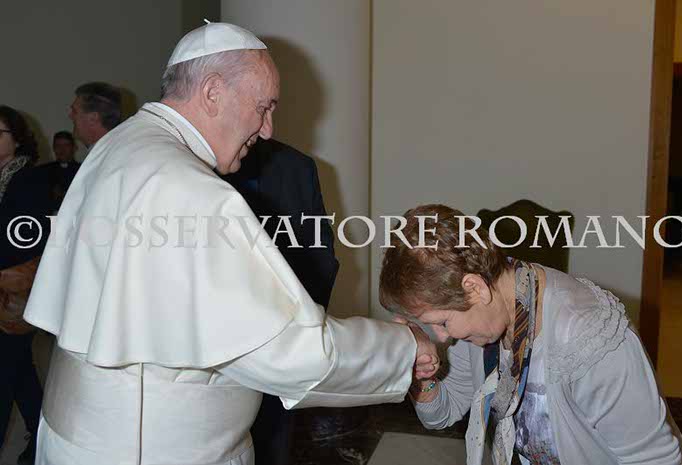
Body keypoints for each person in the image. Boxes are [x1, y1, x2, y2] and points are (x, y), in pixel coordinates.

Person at [23, 22, 439, 465]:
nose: (267, 129)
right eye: (263, 108)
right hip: (156, 448)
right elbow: (290, 352)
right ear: (212, 93)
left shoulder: (121, 146)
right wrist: (404, 346)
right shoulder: (189, 189)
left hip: (83, 433)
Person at [379, 204, 682, 465]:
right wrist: (422, 375)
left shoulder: (590, 335)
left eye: (443, 323)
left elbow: (655, 460)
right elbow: (443, 413)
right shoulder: (483, 317)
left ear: (474, 288)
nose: (443, 338)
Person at [221, 138, 339, 465]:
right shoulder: (185, 167)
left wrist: (301, 328)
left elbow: (322, 258)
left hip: (282, 342)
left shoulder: (296, 166)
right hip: (218, 358)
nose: (266, 126)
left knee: (273, 443)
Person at [0, 105, 45, 465]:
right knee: (20, 373)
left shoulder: (28, 179)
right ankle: (41, 439)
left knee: (5, 374)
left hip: (14, 292)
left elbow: (25, 238)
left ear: (16, 140)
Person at [33, 131, 80, 214]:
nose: (62, 149)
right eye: (58, 146)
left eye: (66, 145)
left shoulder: (82, 170)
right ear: (54, 148)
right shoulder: (42, 171)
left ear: (74, 148)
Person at [68, 82, 122, 148]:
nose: (70, 116)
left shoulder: (112, 152)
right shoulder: (111, 148)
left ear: (93, 118)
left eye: (74, 111)